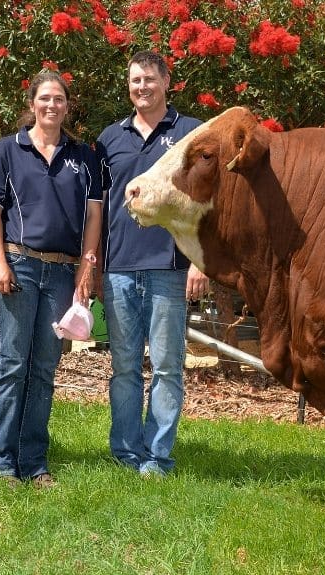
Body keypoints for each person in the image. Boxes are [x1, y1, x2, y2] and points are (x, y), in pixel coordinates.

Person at [0, 71, 102, 487]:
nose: (52, 105)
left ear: (68, 106)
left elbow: (94, 217)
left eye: (60, 99)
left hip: (63, 272)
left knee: (45, 368)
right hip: (19, 266)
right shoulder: (5, 151)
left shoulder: (83, 157)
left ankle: (34, 462)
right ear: (32, 104)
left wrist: (87, 268)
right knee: (13, 365)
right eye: (45, 98)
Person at [96, 51, 207, 478]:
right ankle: (126, 452)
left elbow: (206, 204)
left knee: (166, 366)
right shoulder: (110, 138)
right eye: (134, 80)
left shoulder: (189, 133)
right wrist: (96, 266)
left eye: (148, 79)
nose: (141, 86)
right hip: (119, 268)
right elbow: (99, 207)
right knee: (123, 367)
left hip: (170, 267)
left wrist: (199, 261)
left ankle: (157, 457)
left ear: (166, 82)